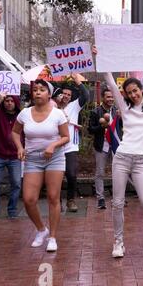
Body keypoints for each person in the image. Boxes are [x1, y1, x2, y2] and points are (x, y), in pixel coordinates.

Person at [100, 42, 143, 259]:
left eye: (135, 90)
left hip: (140, 162)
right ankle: (118, 242)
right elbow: (109, 81)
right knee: (117, 203)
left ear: (141, 89)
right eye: (129, 93)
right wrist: (97, 59)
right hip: (122, 158)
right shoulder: (125, 108)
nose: (133, 94)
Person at [11, 79, 70, 252]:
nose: (37, 92)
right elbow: (15, 132)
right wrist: (20, 147)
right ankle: (41, 230)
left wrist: (52, 145)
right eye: (35, 89)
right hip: (32, 159)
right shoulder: (24, 113)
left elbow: (65, 136)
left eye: (42, 89)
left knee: (53, 197)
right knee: (29, 199)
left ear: (49, 94)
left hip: (55, 158)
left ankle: (52, 237)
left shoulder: (57, 114)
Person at [0, 94, 23, 220]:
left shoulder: (20, 117)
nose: (9, 103)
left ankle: (12, 209)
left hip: (14, 156)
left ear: (16, 103)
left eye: (12, 101)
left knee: (16, 183)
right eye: (7, 100)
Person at [56, 74, 90, 212]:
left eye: (68, 94)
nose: (65, 96)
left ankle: (71, 200)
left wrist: (78, 82)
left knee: (71, 174)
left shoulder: (74, 106)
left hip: (70, 147)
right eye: (63, 93)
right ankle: (57, 201)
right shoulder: (51, 107)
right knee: (56, 176)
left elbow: (86, 95)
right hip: (56, 147)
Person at [88, 88, 119, 210]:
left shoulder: (117, 111)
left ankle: (118, 197)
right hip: (102, 145)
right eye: (108, 97)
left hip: (116, 145)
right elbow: (90, 129)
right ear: (103, 98)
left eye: (112, 97)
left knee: (118, 172)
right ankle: (101, 198)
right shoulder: (96, 111)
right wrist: (102, 127)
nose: (111, 99)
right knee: (100, 172)